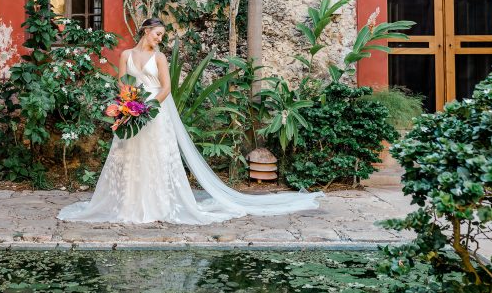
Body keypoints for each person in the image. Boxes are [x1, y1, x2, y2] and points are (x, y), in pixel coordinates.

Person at [57, 18, 323, 224]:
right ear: (146, 31)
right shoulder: (126, 55)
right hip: (131, 109)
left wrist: (147, 107)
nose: (160, 40)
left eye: (162, 36)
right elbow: (122, 81)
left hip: (154, 111)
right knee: (129, 156)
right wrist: (127, 106)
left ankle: (157, 205)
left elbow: (166, 88)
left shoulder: (159, 57)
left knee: (156, 157)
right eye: (157, 34)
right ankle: (129, 205)